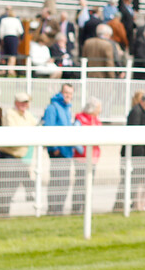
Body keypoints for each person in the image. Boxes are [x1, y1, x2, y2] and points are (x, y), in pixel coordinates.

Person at [43, 83, 74, 214]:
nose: (68, 96)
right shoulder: (52, 108)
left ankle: (59, 208)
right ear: (61, 92)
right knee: (57, 181)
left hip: (67, 151)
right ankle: (53, 208)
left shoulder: (67, 108)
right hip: (58, 151)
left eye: (70, 94)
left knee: (65, 181)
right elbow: (49, 128)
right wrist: (54, 147)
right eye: (66, 93)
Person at [71, 97, 102, 214]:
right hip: (81, 158)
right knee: (80, 183)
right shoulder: (80, 120)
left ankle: (86, 207)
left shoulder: (96, 120)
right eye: (98, 108)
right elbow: (76, 138)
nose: (100, 110)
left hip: (93, 158)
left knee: (89, 183)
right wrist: (82, 152)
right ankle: (76, 208)